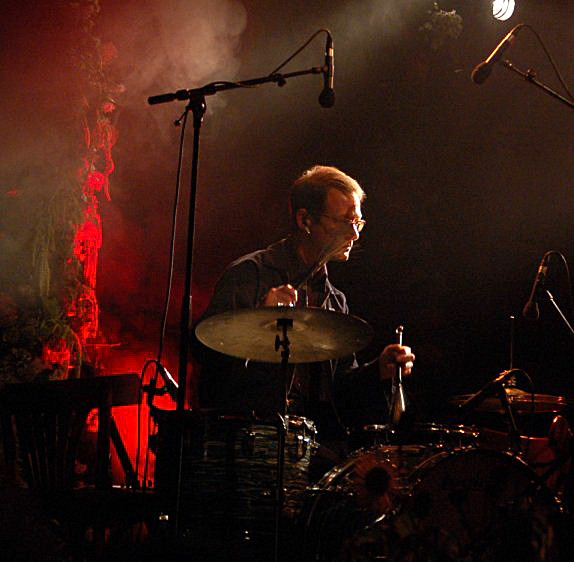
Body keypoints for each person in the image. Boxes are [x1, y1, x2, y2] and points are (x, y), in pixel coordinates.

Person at [196, 164, 415, 463]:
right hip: (248, 444)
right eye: (344, 221)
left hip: (312, 444)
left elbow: (340, 391)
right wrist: (259, 320)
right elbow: (205, 358)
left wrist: (379, 370)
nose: (354, 233)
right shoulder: (250, 275)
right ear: (305, 219)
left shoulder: (335, 300)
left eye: (358, 222)